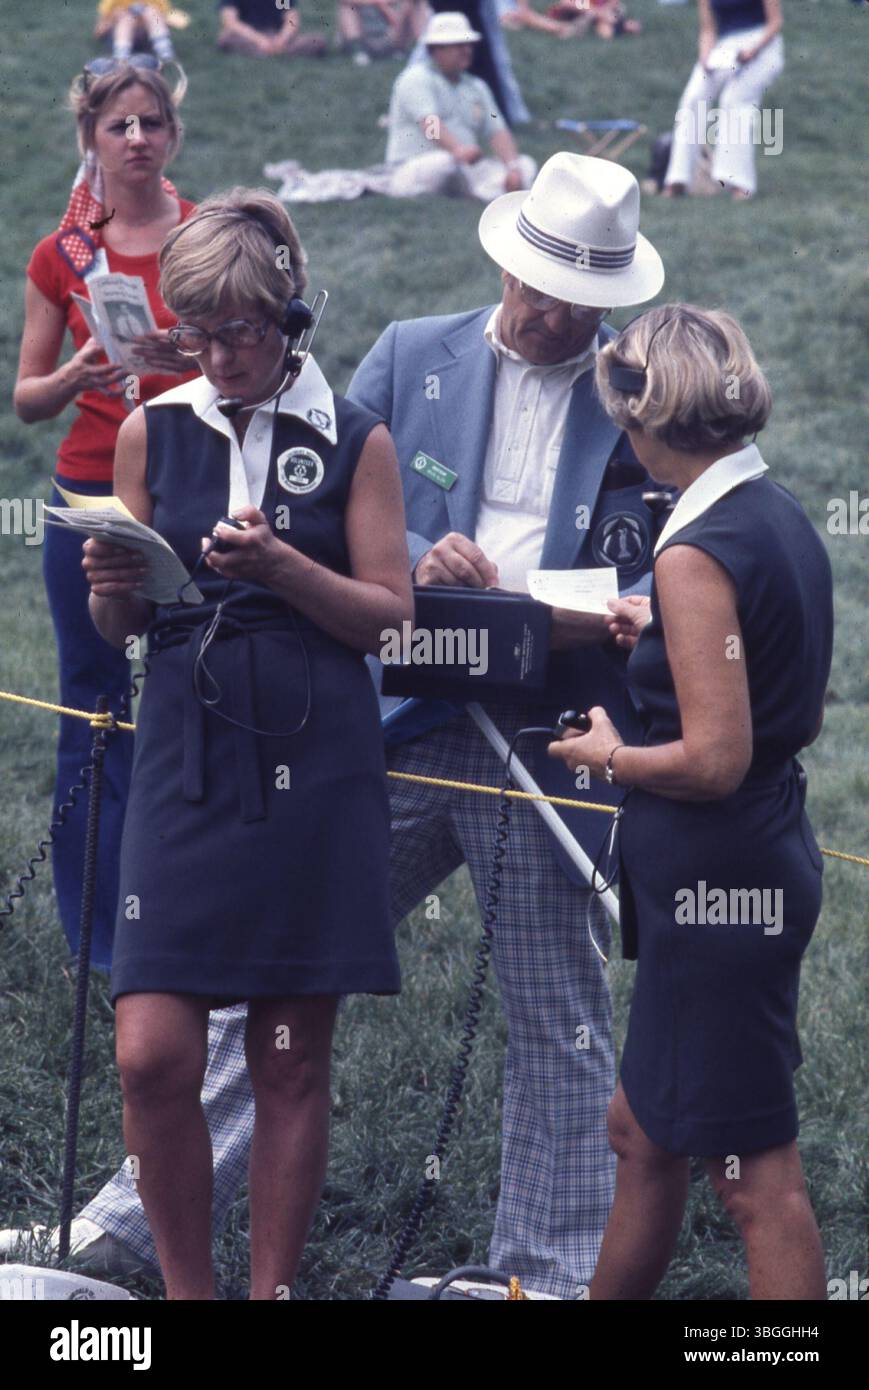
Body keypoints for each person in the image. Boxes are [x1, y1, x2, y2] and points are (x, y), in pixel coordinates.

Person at [8, 152, 664, 1300]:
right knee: (244, 987)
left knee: (553, 1000)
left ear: (608, 304)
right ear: (504, 263)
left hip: (543, 719)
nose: (546, 310)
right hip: (397, 709)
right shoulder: (418, 350)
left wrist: (592, 610)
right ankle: (129, 1222)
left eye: (574, 299)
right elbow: (355, 500)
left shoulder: (632, 401)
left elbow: (643, 568)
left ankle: (544, 1270)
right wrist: (424, 560)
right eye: (532, 286)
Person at [80, 189, 413, 1300]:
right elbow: (119, 630)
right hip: (183, 751)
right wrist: (110, 591)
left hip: (313, 758)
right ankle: (188, 1291)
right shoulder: (151, 428)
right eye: (199, 331)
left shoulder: (353, 434)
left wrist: (283, 569)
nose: (219, 354)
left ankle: (267, 1292)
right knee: (151, 1052)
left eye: (242, 331)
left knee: (286, 1054)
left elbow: (386, 613)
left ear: (292, 320)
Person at [549, 304, 833, 1299]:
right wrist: (661, 626)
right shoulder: (769, 510)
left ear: (650, 417)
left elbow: (713, 758)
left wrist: (609, 756)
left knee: (753, 1176)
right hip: (748, 862)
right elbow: (751, 658)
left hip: (720, 878)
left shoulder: (690, 549)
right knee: (640, 1130)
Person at [13, 59, 196, 973]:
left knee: (192, 688)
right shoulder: (65, 254)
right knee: (90, 701)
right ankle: (95, 932)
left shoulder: (207, 238)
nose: (136, 139)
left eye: (151, 123)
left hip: (188, 488)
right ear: (91, 138)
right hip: (88, 493)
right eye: (118, 125)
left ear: (172, 135)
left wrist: (189, 352)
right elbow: (26, 401)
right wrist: (79, 374)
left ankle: (184, 901)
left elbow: (258, 367)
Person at [385, 11, 535, 200]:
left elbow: (497, 131)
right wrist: (458, 150)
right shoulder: (415, 78)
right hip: (417, 165)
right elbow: (429, 125)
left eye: (468, 45)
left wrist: (512, 168)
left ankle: (488, 193)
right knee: (445, 163)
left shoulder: (476, 86)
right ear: (436, 50)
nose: (466, 51)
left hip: (465, 167)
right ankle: (485, 193)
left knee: (525, 165)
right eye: (458, 45)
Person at [663, 0, 784, 200]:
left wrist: (752, 50)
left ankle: (740, 183)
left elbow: (775, 22)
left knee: (734, 100)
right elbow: (708, 29)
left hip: (763, 44)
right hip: (725, 46)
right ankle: (678, 179)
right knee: (693, 98)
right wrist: (705, 56)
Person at [216, 0, 327, 58]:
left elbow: (292, 20)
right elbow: (230, 22)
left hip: (276, 36)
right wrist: (259, 40)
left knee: (318, 41)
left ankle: (269, 52)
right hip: (249, 37)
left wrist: (281, 39)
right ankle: (278, 53)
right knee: (225, 38)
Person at [95, 1, 177, 62]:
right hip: (118, 38)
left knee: (151, 12)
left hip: (146, 37)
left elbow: (165, 18)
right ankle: (121, 56)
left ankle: (164, 50)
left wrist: (146, 18)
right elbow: (101, 28)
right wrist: (114, 18)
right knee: (126, 19)